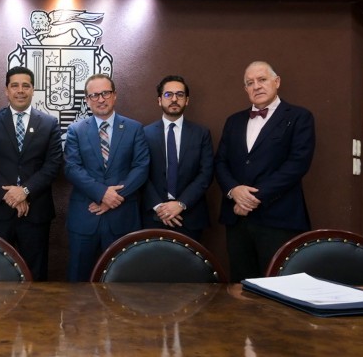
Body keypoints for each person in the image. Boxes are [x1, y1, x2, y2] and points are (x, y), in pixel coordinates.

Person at [215, 61, 315, 282]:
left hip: (279, 218)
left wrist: (251, 199)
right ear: (245, 89)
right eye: (250, 83)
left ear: (276, 82)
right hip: (237, 221)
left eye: (262, 80)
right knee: (241, 286)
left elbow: (297, 164)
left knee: (278, 286)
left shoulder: (299, 117)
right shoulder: (233, 121)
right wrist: (233, 190)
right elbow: (220, 162)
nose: (256, 86)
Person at [0, 66, 62, 281]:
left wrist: (25, 191)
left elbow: (53, 164)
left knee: (35, 274)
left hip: (35, 211)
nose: (20, 90)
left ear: (33, 90)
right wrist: (9, 194)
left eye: (26, 86)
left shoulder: (49, 123)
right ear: (6, 90)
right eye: (14, 85)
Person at [64, 74, 150, 282]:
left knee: (123, 282)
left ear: (114, 95)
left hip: (122, 217)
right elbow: (72, 168)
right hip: (85, 217)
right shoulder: (76, 130)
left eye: (105, 93)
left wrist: (113, 198)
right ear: (87, 100)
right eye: (94, 95)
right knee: (78, 281)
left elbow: (141, 167)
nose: (100, 99)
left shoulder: (134, 128)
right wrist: (102, 193)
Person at [141, 75, 213, 242]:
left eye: (180, 94)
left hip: (190, 216)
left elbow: (206, 174)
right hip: (154, 216)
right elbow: (141, 173)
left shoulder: (201, 133)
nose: (174, 99)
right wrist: (159, 207)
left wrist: (181, 204)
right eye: (168, 94)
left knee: (189, 260)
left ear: (187, 100)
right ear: (159, 100)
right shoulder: (144, 134)